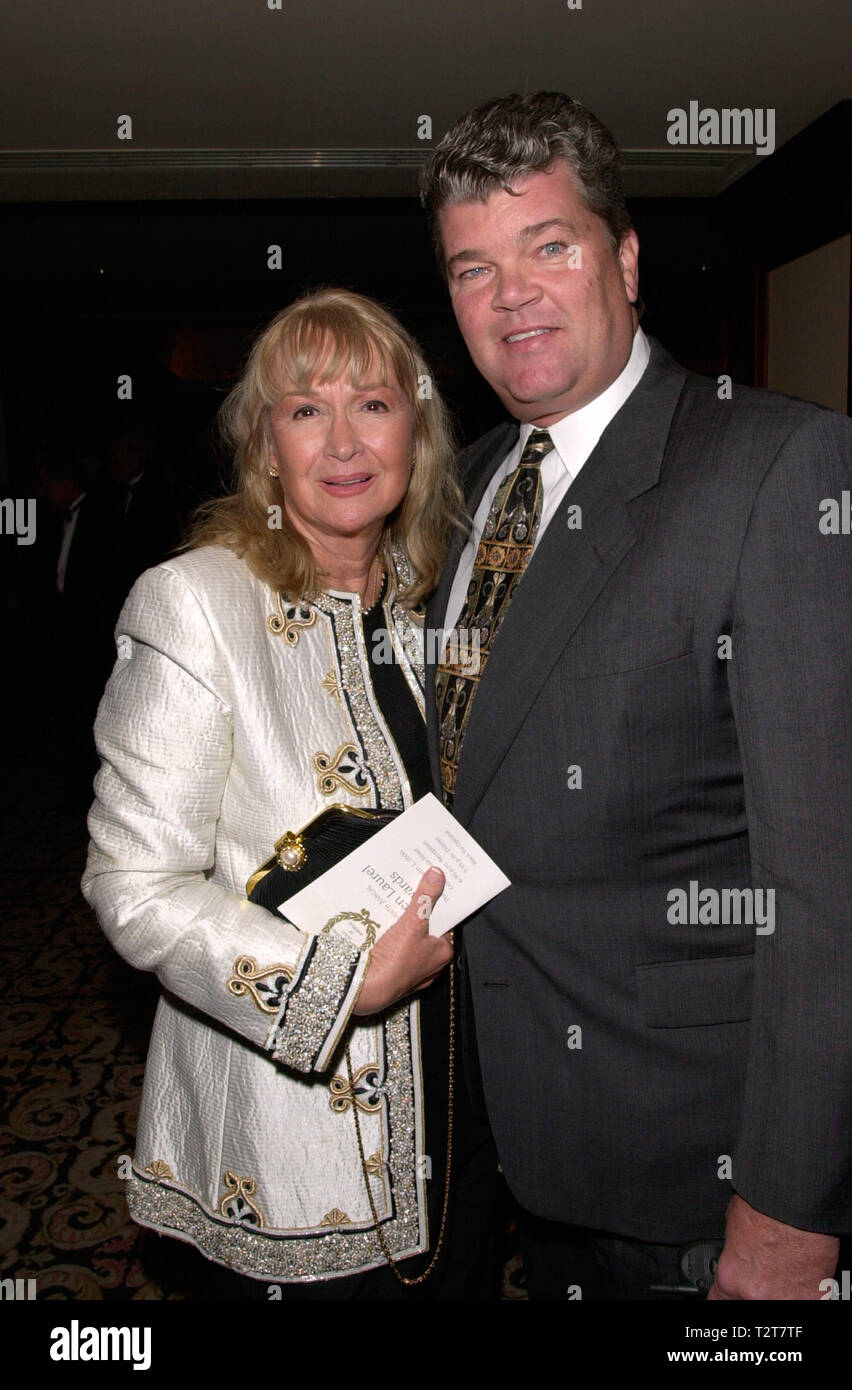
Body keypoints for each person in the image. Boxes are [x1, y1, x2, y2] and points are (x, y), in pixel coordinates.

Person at [419, 91, 851, 1300]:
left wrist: (788, 1212)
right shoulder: (459, 491)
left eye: (548, 246)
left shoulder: (777, 467)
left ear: (624, 257)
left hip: (695, 1179)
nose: (510, 295)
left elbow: (832, 889)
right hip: (501, 1138)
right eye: (472, 268)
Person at [82, 287, 501, 1299]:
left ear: (418, 431)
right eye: (307, 408)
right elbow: (132, 888)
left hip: (459, 1090)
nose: (345, 440)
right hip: (288, 1142)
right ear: (265, 447)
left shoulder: (427, 603)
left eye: (374, 403)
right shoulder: (196, 602)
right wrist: (341, 984)